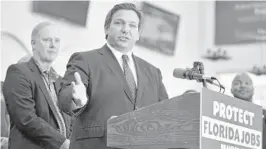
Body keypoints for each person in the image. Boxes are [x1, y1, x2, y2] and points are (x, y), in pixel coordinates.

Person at [58, 3, 169, 149]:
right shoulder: (85, 60)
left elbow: (167, 114)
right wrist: (77, 99)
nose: (125, 30)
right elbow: (65, 96)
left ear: (138, 34)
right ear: (107, 28)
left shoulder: (153, 72)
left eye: (132, 25)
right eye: (119, 23)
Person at [3, 22, 71, 149]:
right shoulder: (18, 72)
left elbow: (69, 121)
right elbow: (26, 119)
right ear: (33, 43)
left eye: (57, 41)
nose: (53, 45)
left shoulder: (60, 81)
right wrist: (62, 142)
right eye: (47, 40)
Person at [231, 72, 265, 148]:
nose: (243, 86)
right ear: (231, 90)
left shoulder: (263, 115)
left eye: (247, 83)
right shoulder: (224, 113)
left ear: (253, 90)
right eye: (237, 83)